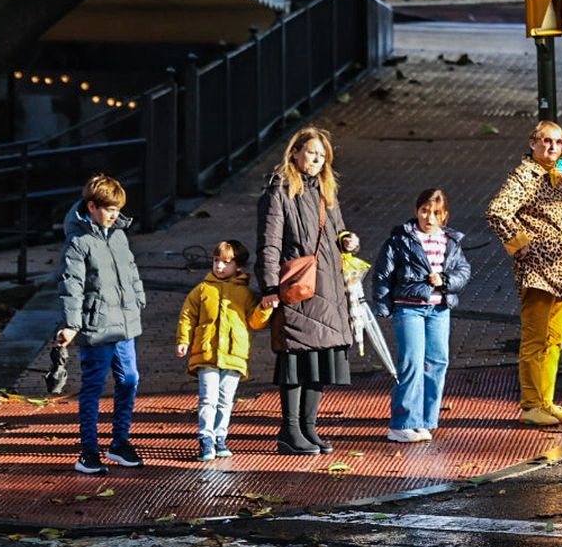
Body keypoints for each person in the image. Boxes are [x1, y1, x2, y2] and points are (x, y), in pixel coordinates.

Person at [256, 126, 355, 455]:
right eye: (311, 153)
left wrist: (347, 240)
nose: (316, 160)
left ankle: (308, 429)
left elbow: (339, 231)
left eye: (322, 156)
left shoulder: (326, 191)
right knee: (296, 363)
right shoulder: (279, 191)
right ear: (295, 152)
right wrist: (269, 287)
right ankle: (289, 431)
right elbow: (269, 244)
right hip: (297, 289)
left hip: (328, 289)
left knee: (319, 363)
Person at [486, 121, 562, 427]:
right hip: (539, 274)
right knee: (535, 339)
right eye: (546, 141)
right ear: (533, 143)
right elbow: (497, 212)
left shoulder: (556, 174)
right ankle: (531, 405)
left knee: (554, 340)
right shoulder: (525, 176)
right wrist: (522, 247)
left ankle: (546, 401)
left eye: (558, 142)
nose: (553, 147)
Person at [53, 173, 147, 475]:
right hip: (96, 326)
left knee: (129, 380)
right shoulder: (78, 241)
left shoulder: (118, 235)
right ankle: (89, 451)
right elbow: (72, 285)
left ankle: (119, 442)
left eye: (117, 210)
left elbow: (131, 270)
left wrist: (138, 299)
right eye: (109, 209)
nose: (114, 215)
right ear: (92, 207)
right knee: (93, 387)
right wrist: (71, 324)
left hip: (124, 324)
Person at [373, 188, 471, 443]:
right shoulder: (401, 239)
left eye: (436, 213)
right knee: (412, 363)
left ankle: (425, 420)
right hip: (409, 307)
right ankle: (402, 423)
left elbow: (463, 271)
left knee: (437, 361)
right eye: (425, 211)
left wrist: (445, 280)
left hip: (439, 309)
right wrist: (383, 305)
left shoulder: (450, 241)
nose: (429, 217)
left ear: (445, 215)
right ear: (417, 211)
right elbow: (383, 272)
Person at [175, 239, 270, 461]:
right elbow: (187, 316)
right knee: (207, 398)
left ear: (238, 266)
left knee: (225, 400)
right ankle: (206, 438)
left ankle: (220, 437)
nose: (219, 266)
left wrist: (265, 309)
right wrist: (183, 340)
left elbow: (254, 322)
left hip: (234, 355)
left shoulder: (245, 293)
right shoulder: (202, 290)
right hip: (206, 354)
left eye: (226, 262)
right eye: (216, 260)